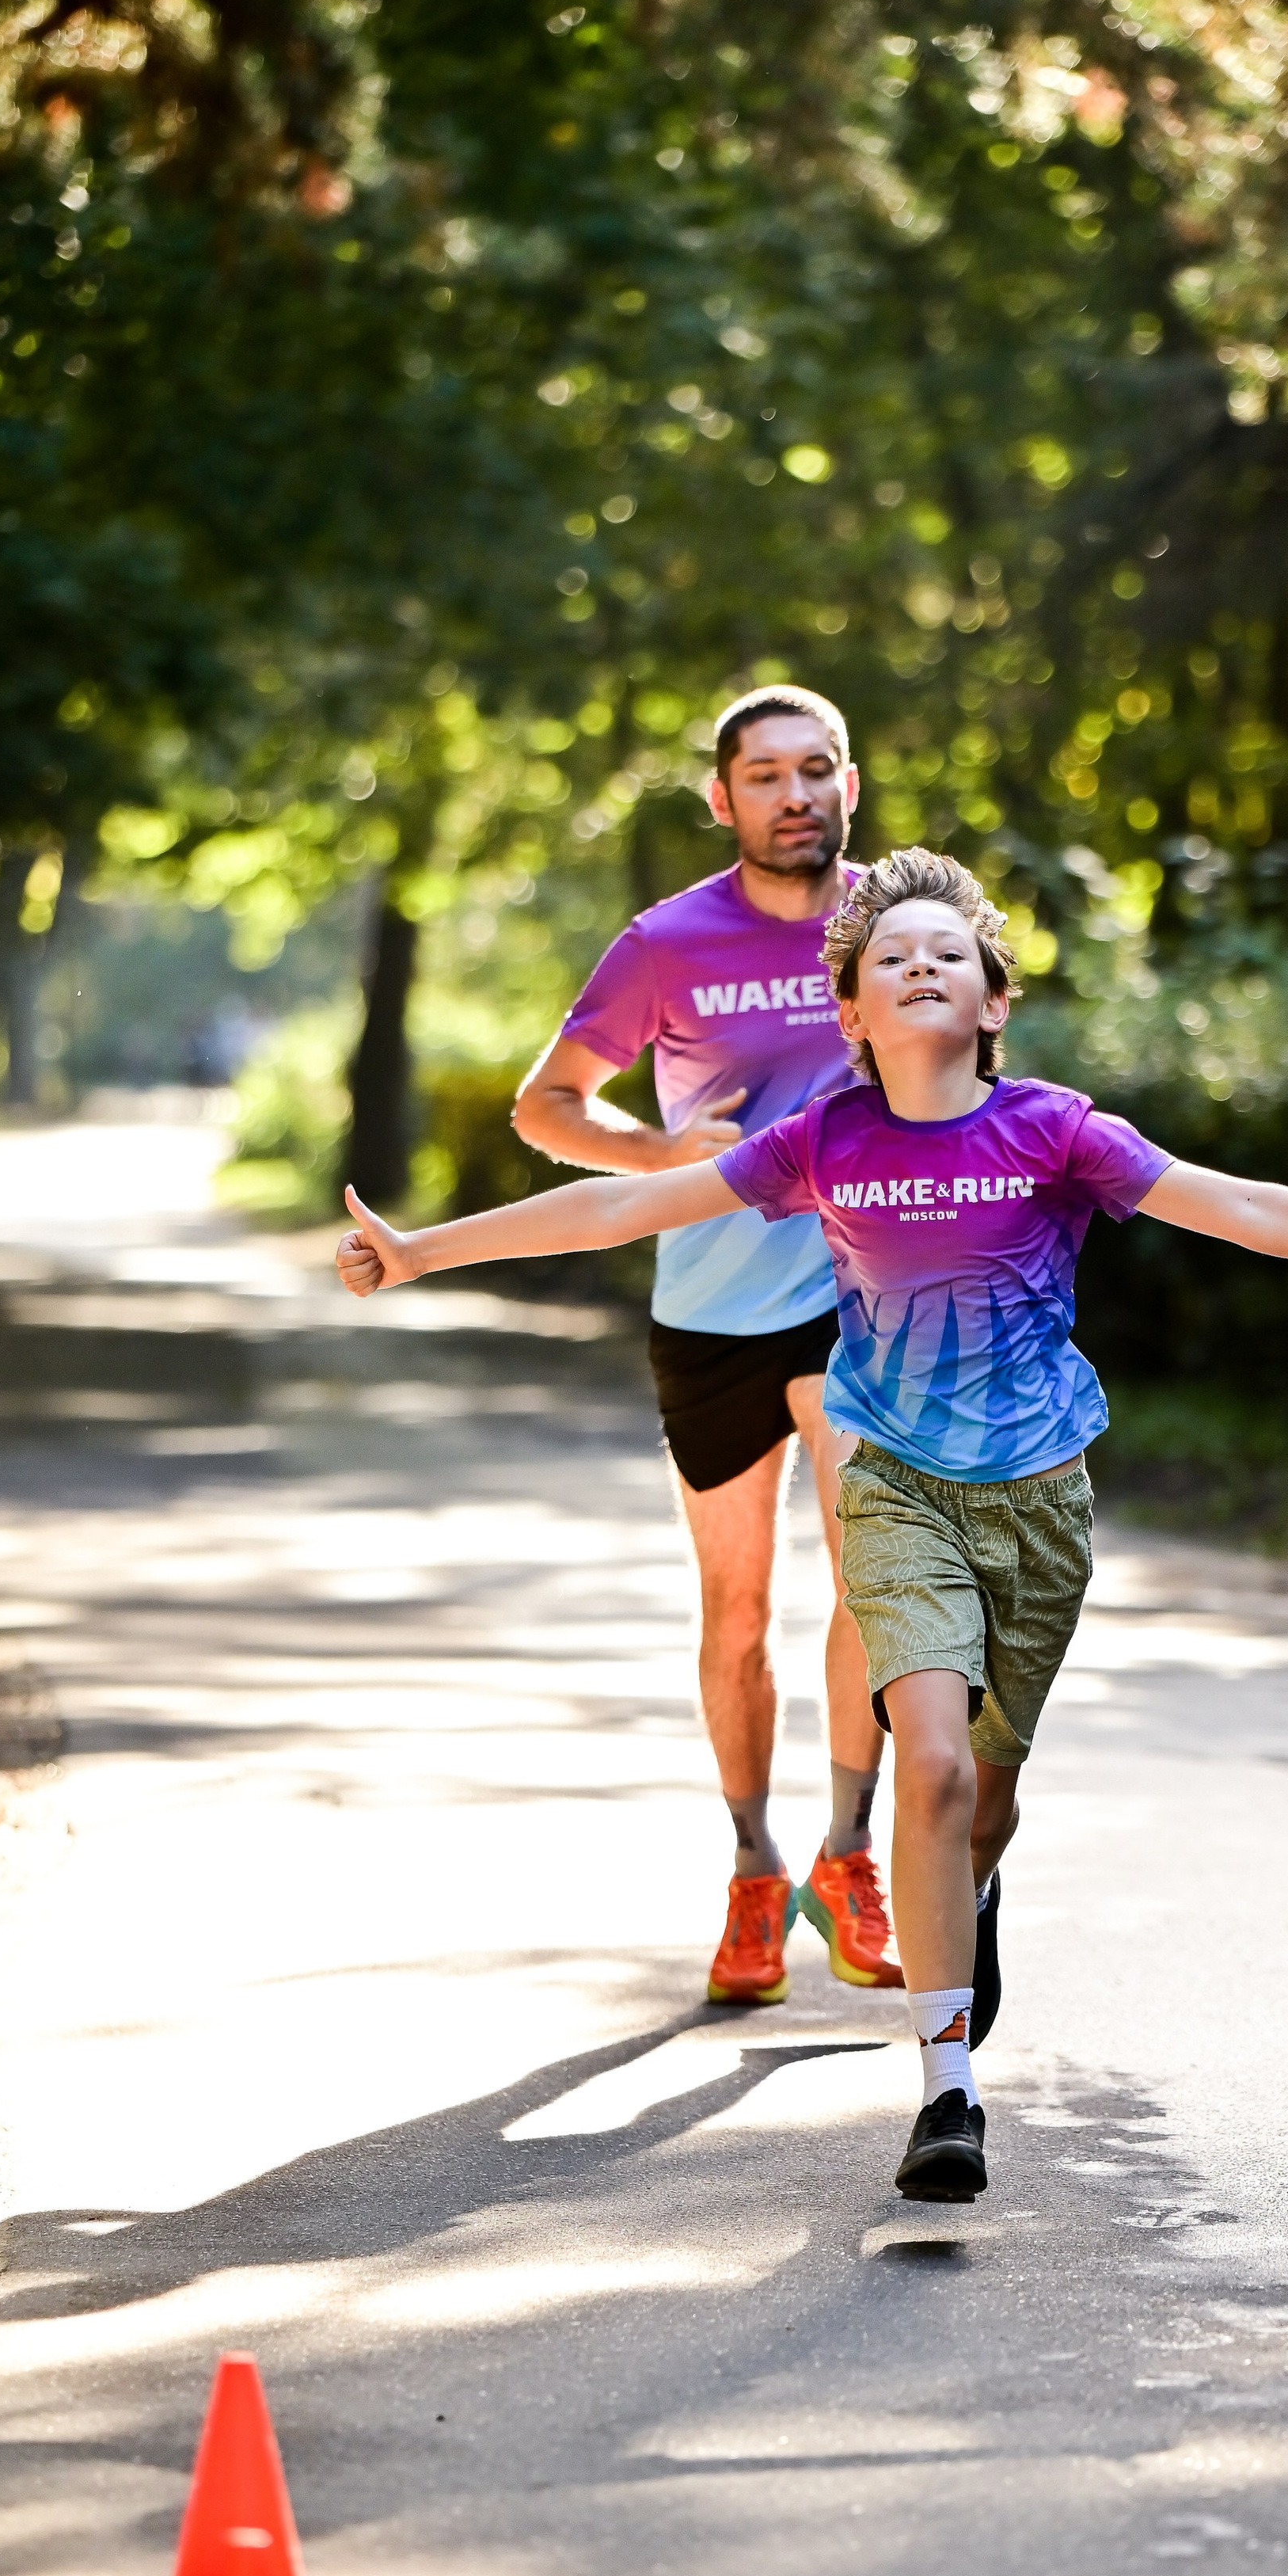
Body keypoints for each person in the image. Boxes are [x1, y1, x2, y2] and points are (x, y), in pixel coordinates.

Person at [339, 847, 1288, 2205]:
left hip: (1038, 1498)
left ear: (992, 1001)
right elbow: (621, 1203)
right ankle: (946, 2091)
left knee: (985, 1802)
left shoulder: (1057, 1131)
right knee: (938, 1768)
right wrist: (424, 1250)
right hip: (894, 1484)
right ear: (850, 1010)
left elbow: (1246, 1209)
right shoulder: (823, 1141)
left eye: (945, 953)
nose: (918, 966)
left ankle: (972, 1896)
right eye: (889, 957)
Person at [511, 684, 895, 2010]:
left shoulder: (899, 923)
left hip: (862, 1301)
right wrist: (660, 1153)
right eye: (765, 775)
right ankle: (752, 1867)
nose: (795, 795)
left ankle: (849, 1853)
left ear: (850, 785)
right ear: (723, 799)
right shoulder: (667, 943)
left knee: (872, 1577)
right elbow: (548, 1106)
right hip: (712, 1310)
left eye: (816, 769)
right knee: (737, 1611)